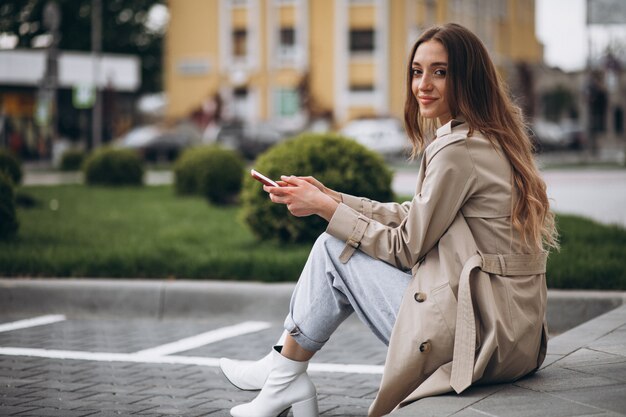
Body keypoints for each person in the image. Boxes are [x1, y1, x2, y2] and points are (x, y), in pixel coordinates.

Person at [220, 22, 558, 417]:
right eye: (417, 71)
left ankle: (283, 376)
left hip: (475, 344)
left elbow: (406, 247)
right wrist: (333, 197)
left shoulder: (456, 151)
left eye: (441, 72)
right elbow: (415, 218)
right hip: (512, 340)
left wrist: (326, 210)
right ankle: (283, 374)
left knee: (333, 250)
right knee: (336, 245)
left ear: (468, 79)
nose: (423, 85)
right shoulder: (488, 137)